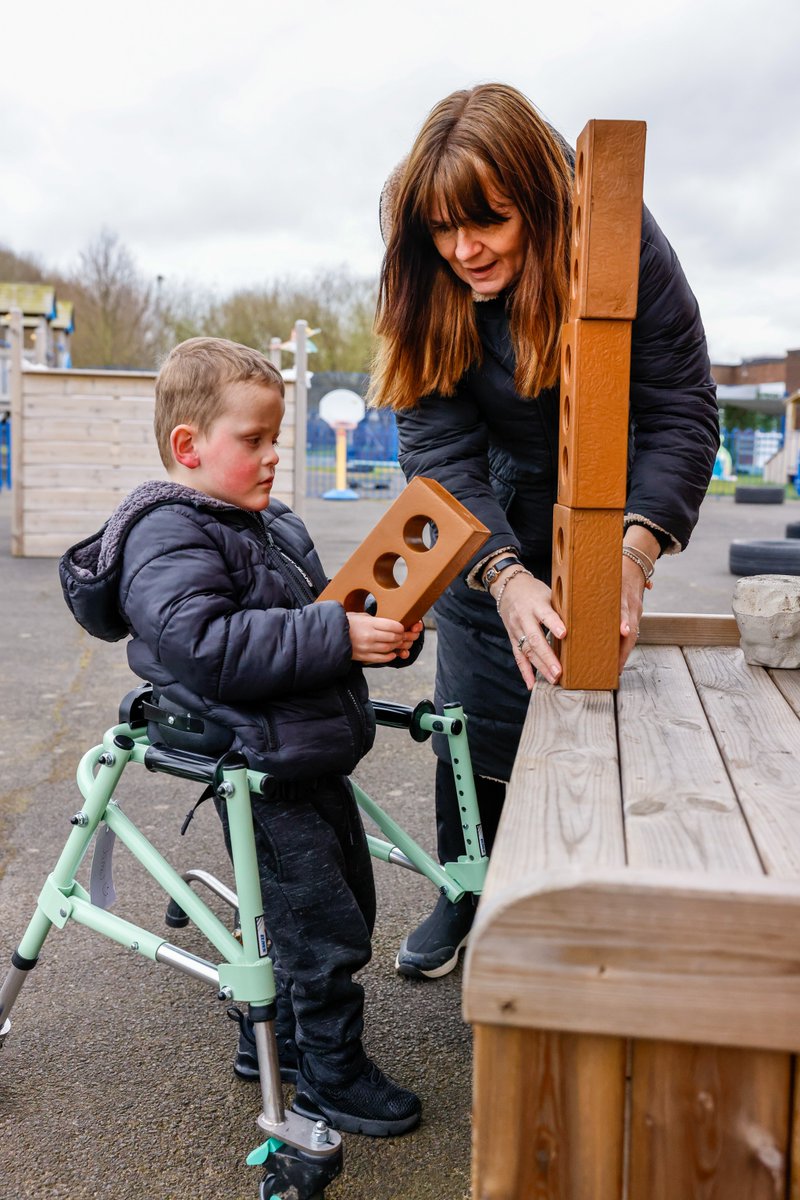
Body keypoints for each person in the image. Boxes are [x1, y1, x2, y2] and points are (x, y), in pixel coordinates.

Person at [370, 83, 720, 979]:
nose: (465, 249)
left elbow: (682, 409)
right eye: (445, 230)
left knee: (595, 694)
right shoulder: (428, 268)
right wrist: (504, 575)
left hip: (608, 490)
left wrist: (633, 552)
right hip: (487, 499)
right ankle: (467, 887)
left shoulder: (617, 238)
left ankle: (585, 888)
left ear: (538, 193)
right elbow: (438, 445)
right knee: (476, 702)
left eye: (487, 221)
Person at [59, 336, 424, 1137]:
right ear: (188, 446)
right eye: (252, 441)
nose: (270, 458)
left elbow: (322, 612)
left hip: (306, 751)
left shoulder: (268, 522)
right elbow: (208, 646)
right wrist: (333, 636)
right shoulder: (166, 533)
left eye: (274, 439)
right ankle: (330, 1080)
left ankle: (278, 1049)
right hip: (257, 761)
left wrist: (380, 632)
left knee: (340, 910)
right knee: (319, 934)